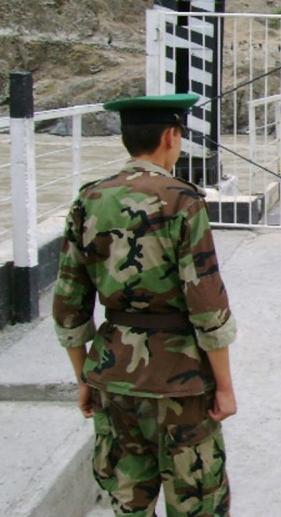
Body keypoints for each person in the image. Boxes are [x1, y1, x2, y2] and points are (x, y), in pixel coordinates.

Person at [53, 93, 237, 516]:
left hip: (113, 376)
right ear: (171, 136)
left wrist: (84, 377)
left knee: (128, 502)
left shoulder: (89, 199)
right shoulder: (182, 200)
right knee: (197, 501)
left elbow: (68, 305)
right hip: (180, 383)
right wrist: (225, 387)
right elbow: (207, 306)